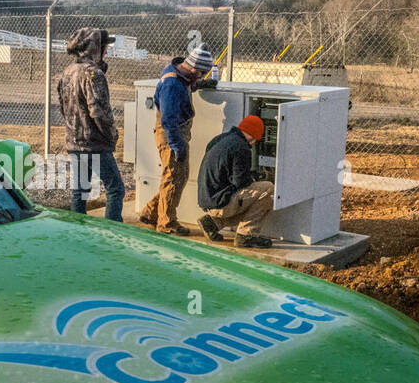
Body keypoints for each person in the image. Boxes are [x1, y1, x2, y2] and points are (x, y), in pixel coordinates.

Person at [137, 46, 215, 235]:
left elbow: (187, 85)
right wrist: (177, 146)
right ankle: (167, 223)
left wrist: (199, 85)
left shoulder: (180, 76)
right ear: (195, 69)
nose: (201, 77)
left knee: (173, 177)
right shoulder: (172, 85)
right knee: (174, 178)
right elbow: (169, 120)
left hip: (173, 133)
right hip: (172, 134)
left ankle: (150, 212)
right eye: (202, 74)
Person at [57, 27, 125, 220]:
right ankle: (113, 232)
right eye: (104, 47)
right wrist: (111, 134)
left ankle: (78, 233)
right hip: (95, 143)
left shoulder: (68, 72)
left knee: (80, 191)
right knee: (116, 189)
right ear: (94, 48)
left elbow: (63, 107)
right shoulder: (93, 74)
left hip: (74, 141)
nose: (107, 50)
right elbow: (99, 113)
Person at [196, 115, 275, 249]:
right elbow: (240, 182)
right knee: (268, 189)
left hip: (207, 199)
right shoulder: (241, 147)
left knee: (251, 202)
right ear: (254, 136)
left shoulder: (220, 139)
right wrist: (255, 178)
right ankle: (246, 236)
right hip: (220, 203)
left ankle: (212, 223)